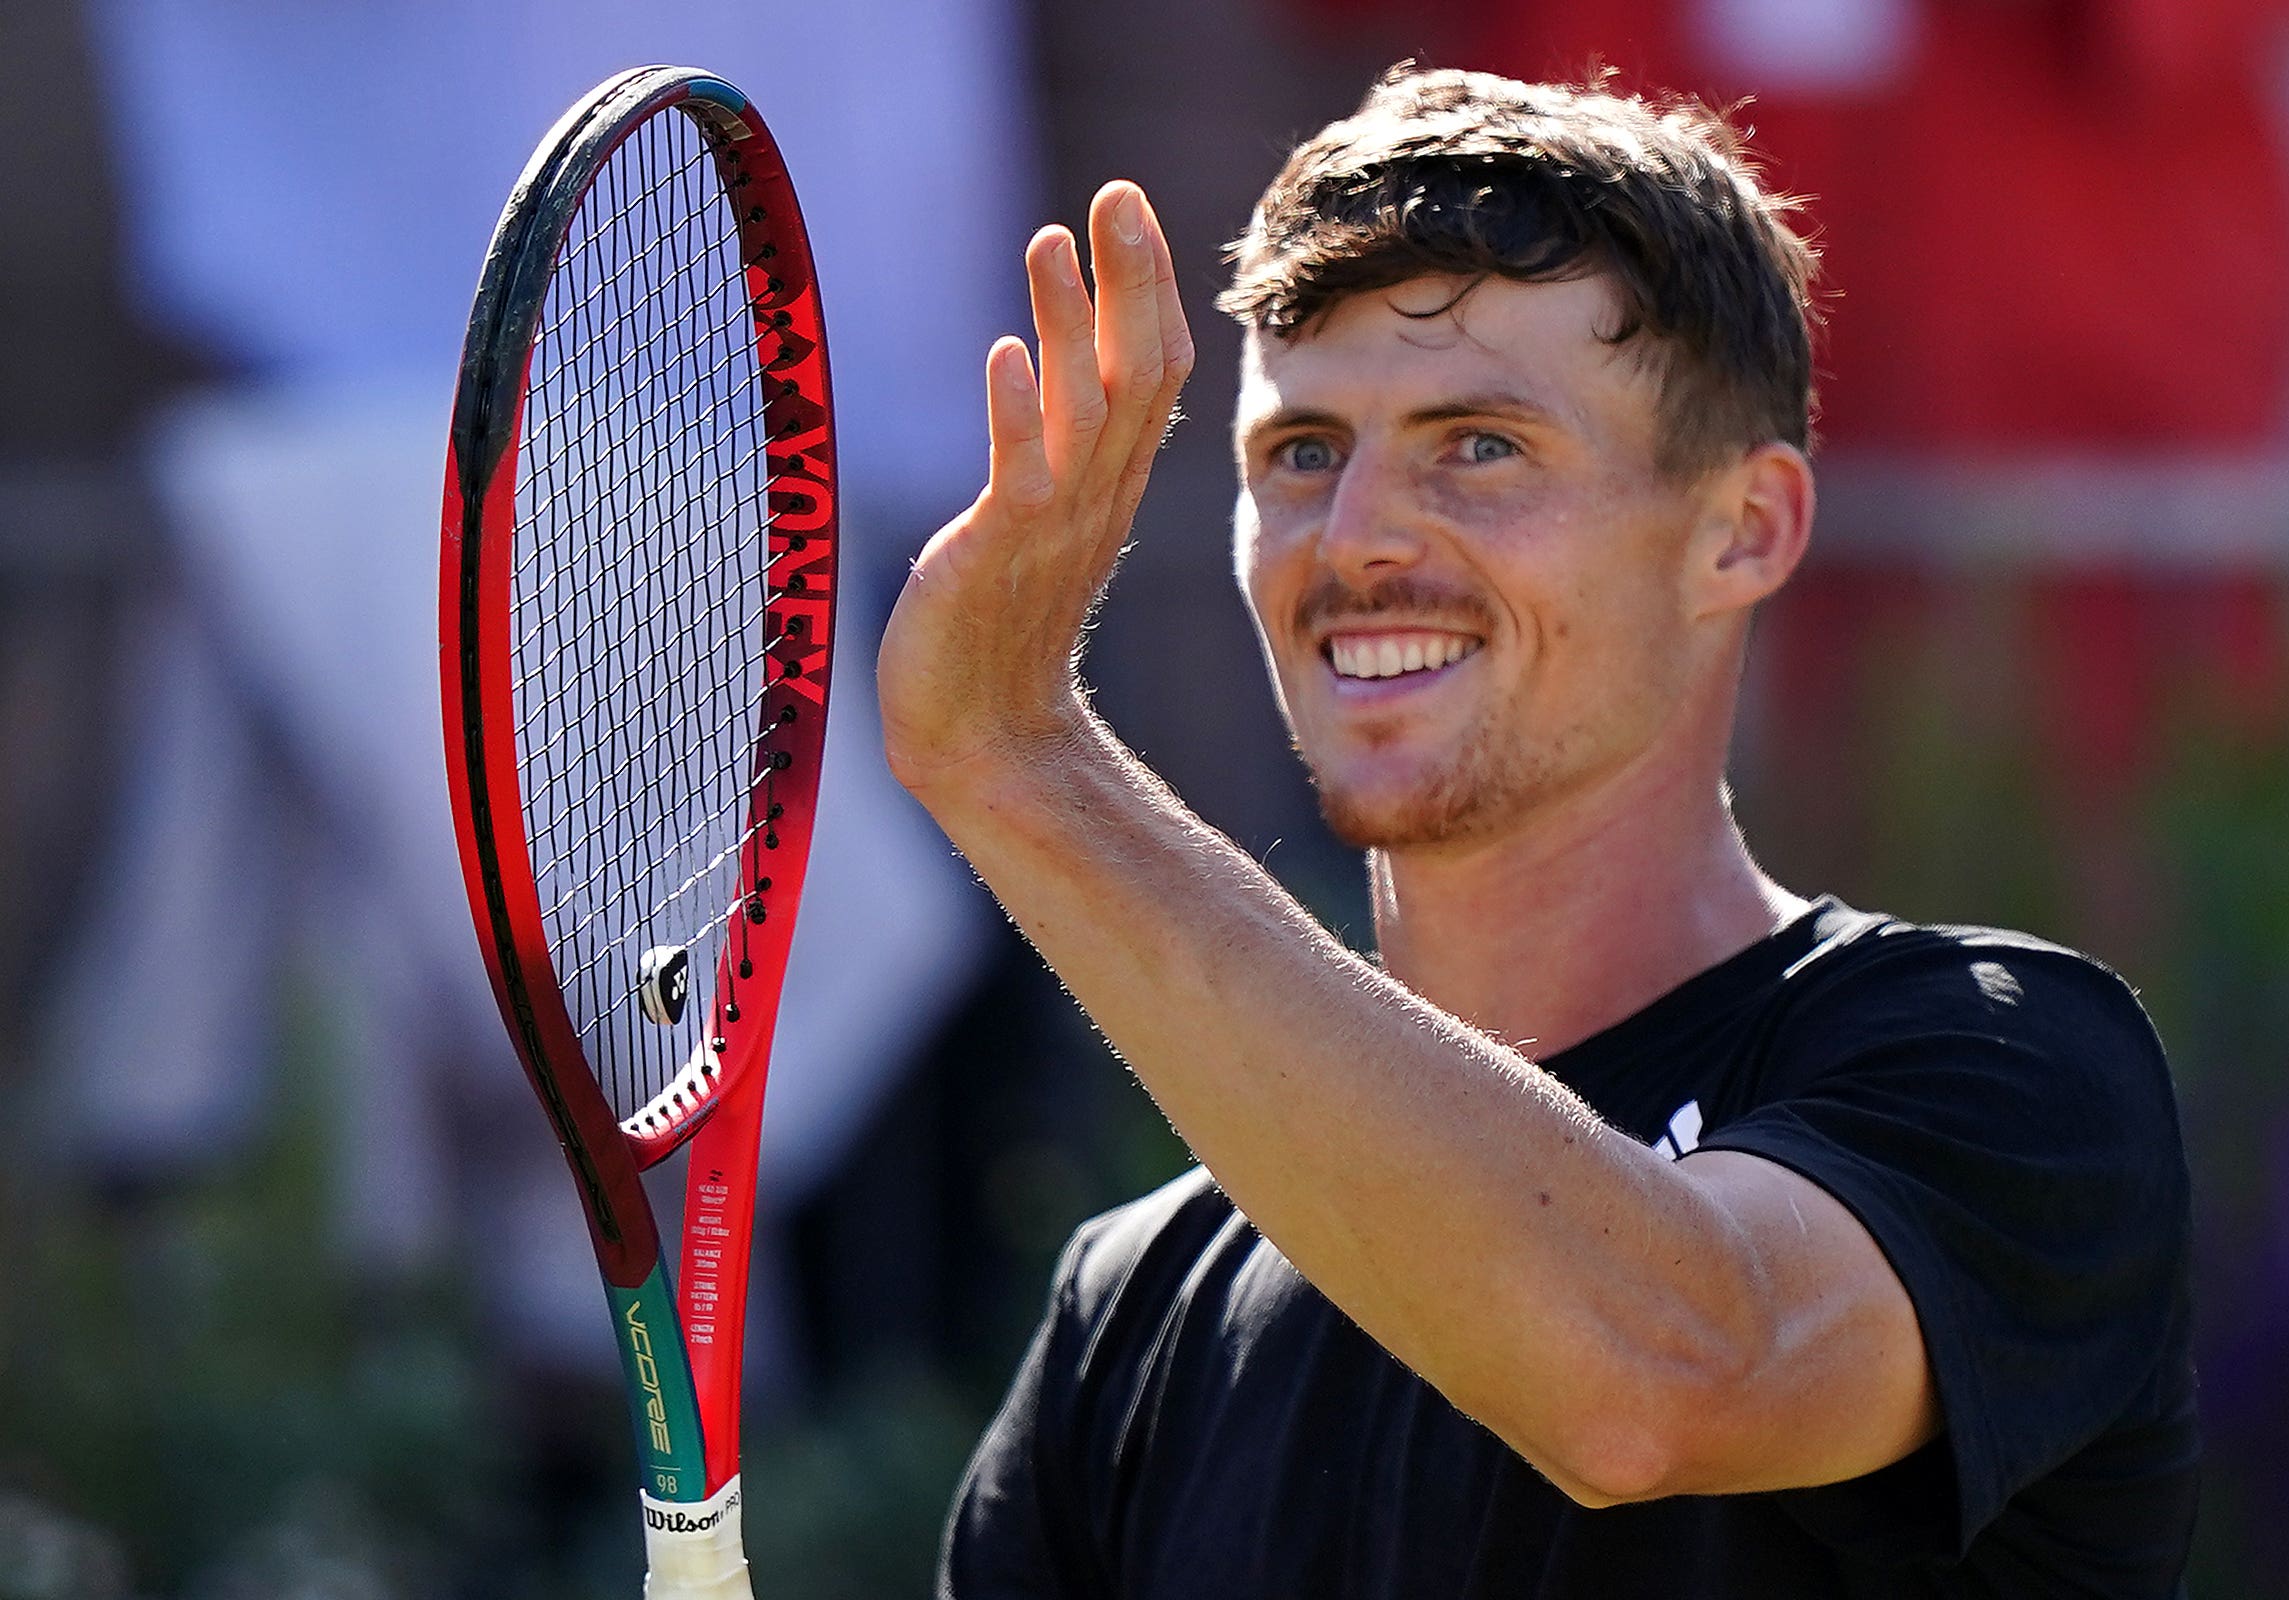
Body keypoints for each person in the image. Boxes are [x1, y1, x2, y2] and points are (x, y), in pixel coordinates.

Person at [879, 65, 2196, 1597]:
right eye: (1300, 452)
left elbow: (1649, 1383)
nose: (1358, 532)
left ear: (1744, 529)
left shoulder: (2002, 1063)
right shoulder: (1134, 1315)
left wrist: (1020, 760)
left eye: (1480, 444)